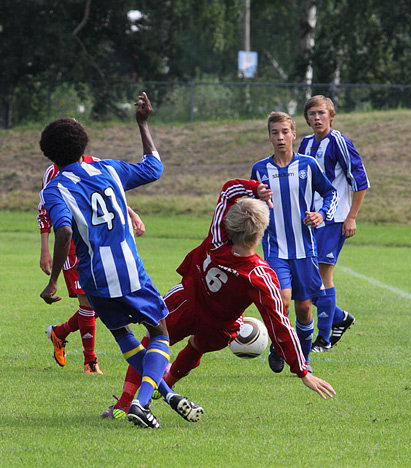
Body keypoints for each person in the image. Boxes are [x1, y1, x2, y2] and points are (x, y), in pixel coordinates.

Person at [103, 179, 336, 419]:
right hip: (219, 325)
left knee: (153, 343)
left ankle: (123, 405)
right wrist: (302, 371)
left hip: (187, 301)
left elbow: (227, 191)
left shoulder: (217, 238)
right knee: (196, 347)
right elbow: (280, 324)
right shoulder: (260, 276)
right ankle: (167, 384)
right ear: (261, 232)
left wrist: (254, 188)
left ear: (227, 224)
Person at [39, 92, 203, 429]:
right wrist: (143, 125)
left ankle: (166, 395)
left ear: (49, 154)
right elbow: (154, 167)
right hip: (128, 270)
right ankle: (142, 402)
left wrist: (54, 279)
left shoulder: (54, 189)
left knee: (122, 334)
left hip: (93, 278)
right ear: (84, 146)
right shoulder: (107, 168)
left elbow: (65, 231)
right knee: (160, 332)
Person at [38, 158, 146, 374]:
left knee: (101, 300)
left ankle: (60, 332)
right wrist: (45, 249)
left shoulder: (96, 164)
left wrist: (132, 214)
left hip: (98, 240)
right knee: (87, 300)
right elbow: (45, 210)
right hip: (72, 244)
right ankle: (90, 361)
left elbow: (110, 192)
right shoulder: (53, 172)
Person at [251, 112, 338, 373]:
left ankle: (303, 357)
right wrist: (257, 195)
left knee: (303, 308)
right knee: (283, 300)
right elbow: (251, 203)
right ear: (269, 136)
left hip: (305, 249)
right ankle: (279, 346)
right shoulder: (259, 169)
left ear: (294, 134)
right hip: (275, 248)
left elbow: (330, 193)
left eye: (284, 132)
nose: (280, 137)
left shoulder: (308, 165)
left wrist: (321, 215)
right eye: (274, 132)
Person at [298, 95, 370, 351]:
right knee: (302, 278)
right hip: (309, 220)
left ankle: (324, 339)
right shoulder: (305, 144)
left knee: (321, 274)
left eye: (321, 113)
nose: (317, 118)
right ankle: (339, 317)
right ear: (306, 118)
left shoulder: (339, 142)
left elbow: (360, 182)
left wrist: (351, 216)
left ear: (331, 115)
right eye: (312, 114)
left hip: (334, 220)